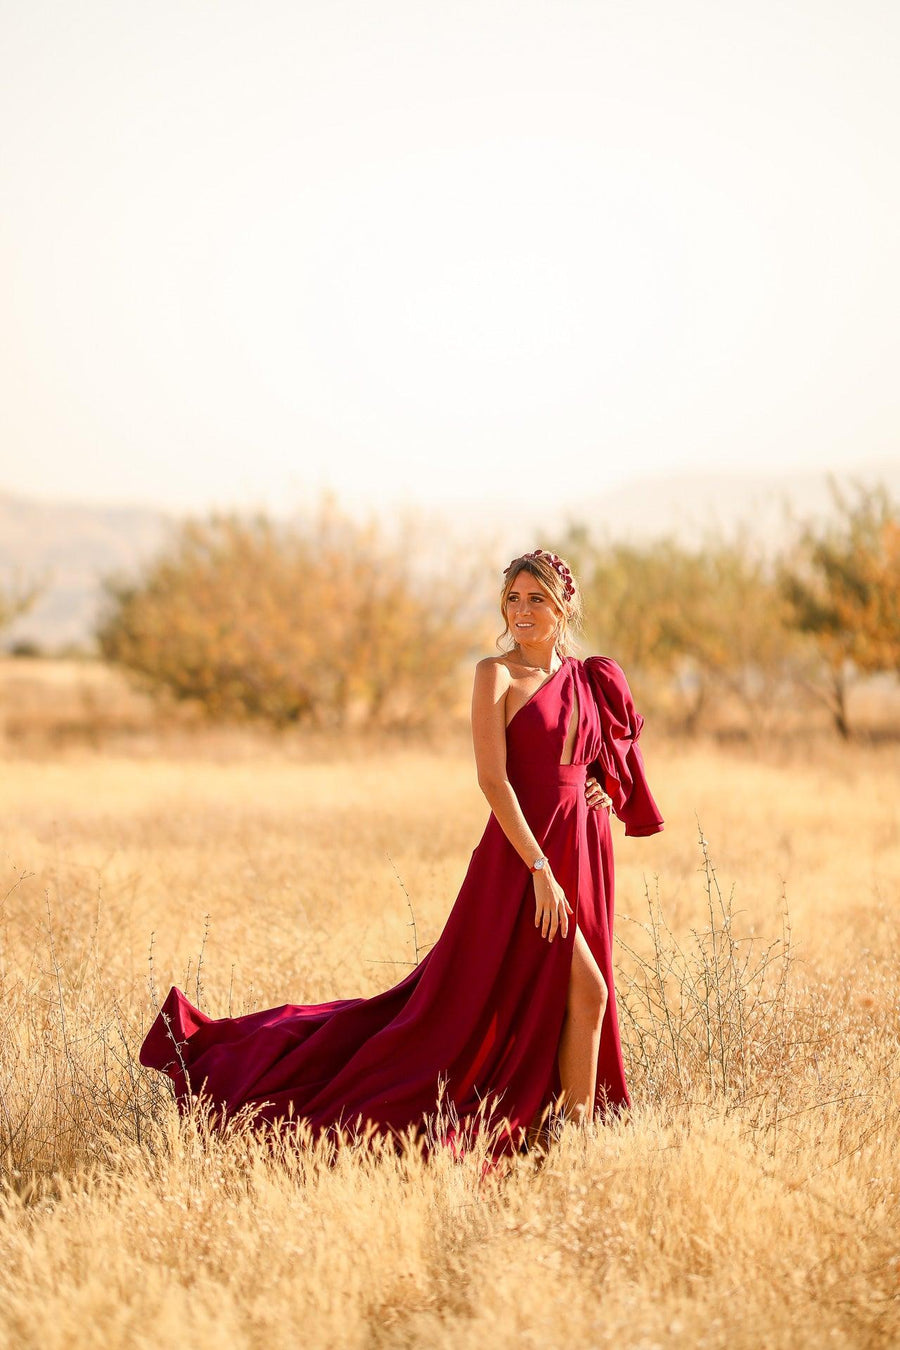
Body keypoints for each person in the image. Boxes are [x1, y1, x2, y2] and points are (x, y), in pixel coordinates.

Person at [139, 549, 664, 1157]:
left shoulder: (592, 676)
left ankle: (567, 1138)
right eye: (513, 599)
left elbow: (612, 756)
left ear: (563, 605)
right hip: (523, 860)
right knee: (577, 993)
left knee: (565, 996)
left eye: (535, 600)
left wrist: (602, 783)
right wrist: (540, 870)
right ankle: (579, 1142)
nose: (521, 611)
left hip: (584, 853)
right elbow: (494, 781)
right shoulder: (494, 675)